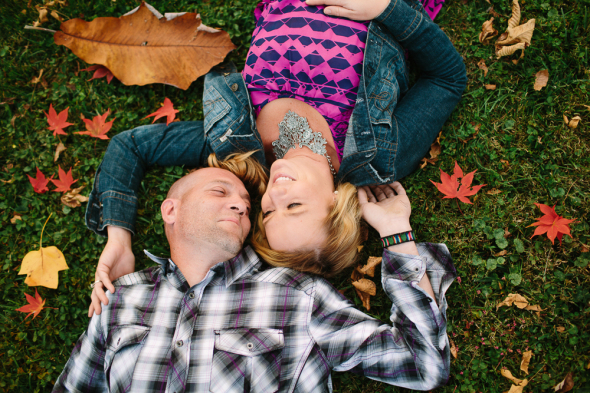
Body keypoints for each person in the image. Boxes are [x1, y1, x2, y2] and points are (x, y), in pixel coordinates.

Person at [86, 0, 466, 313]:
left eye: (267, 213)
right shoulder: (380, 153)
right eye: (295, 206)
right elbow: (446, 78)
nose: (274, 196)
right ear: (336, 201)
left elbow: (131, 146)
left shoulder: (236, 144)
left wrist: (118, 239)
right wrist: (386, 9)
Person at [54, 152, 457, 392]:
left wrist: (396, 235)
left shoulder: (297, 296)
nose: (242, 205)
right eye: (219, 192)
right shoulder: (118, 299)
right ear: (170, 211)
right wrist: (118, 240)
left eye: (250, 204)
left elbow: (423, 365)